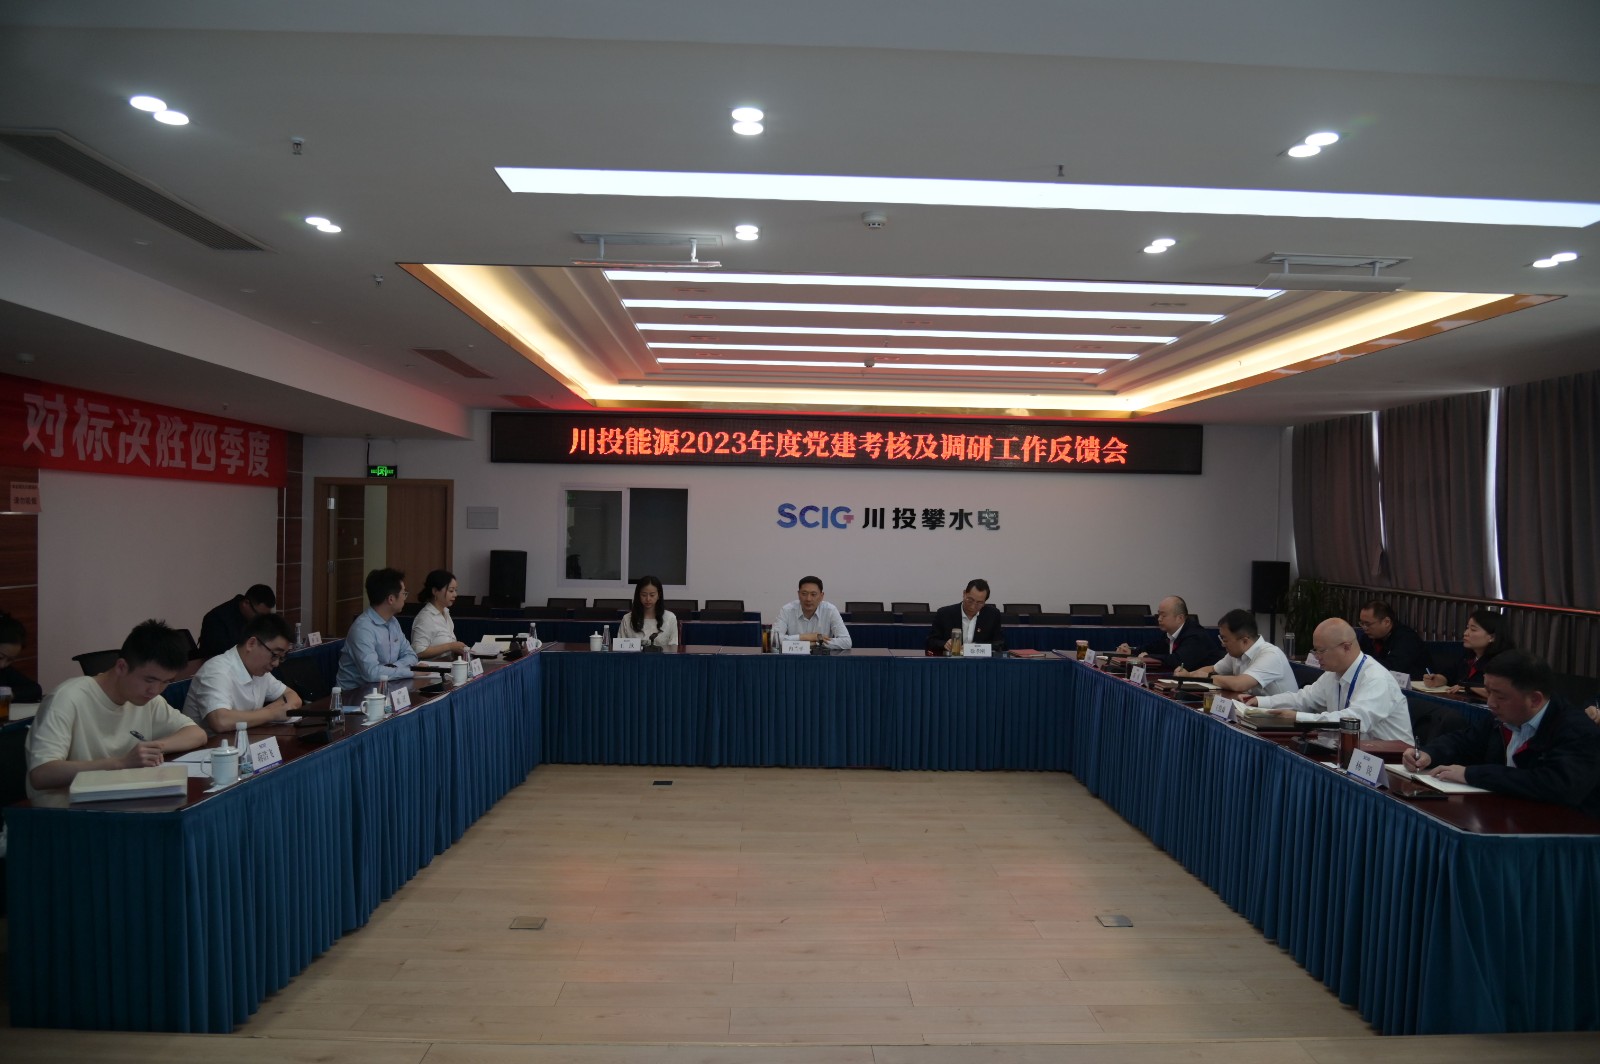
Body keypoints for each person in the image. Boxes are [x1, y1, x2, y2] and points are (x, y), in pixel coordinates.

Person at [1404, 650, 1600, 817]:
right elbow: (1465, 741)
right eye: (1488, 692)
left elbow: (1553, 785)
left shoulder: (1576, 731)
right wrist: (1429, 754)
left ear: (1535, 699)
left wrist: (1471, 774)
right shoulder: (1502, 717)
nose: (1490, 703)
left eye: (1500, 696)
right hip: (1508, 815)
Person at [24, 619, 207, 798]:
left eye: (165, 682)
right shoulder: (67, 698)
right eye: (149, 680)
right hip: (63, 808)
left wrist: (155, 748)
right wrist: (121, 763)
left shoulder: (148, 699)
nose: (155, 690)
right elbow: (41, 774)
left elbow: (197, 734)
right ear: (121, 667)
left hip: (118, 798)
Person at [1241, 618, 1415, 742]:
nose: (1317, 656)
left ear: (1346, 647)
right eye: (1315, 650)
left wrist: (1300, 717)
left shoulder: (1375, 678)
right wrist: (1259, 702)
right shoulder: (1333, 673)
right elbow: (1304, 698)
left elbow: (1354, 721)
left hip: (1389, 763)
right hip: (1350, 753)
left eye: (1321, 651)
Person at [182, 613, 304, 733]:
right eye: (275, 655)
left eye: (281, 657)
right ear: (251, 644)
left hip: (245, 740)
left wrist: (277, 710)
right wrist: (272, 713)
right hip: (213, 744)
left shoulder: (260, 671)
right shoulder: (216, 671)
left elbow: (293, 696)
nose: (276, 663)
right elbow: (221, 721)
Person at [1177, 608, 1297, 696]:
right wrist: (1189, 675)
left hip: (1285, 717)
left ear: (1244, 641)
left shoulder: (1270, 655)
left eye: (1225, 640)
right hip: (1257, 711)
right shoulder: (1236, 654)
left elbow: (1239, 684)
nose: (1222, 644)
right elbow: (1213, 669)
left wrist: (1209, 677)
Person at [336, 568, 419, 689]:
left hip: (384, 687)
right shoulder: (363, 629)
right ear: (391, 599)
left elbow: (411, 655)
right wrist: (410, 672)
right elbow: (372, 673)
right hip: (354, 695)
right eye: (404, 593)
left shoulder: (393, 622)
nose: (405, 598)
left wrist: (392, 668)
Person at [1422, 609, 1514, 695]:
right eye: (1467, 628)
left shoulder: (1504, 662)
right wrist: (1438, 679)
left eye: (1473, 630)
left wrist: (1467, 688)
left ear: (1492, 637)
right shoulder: (1469, 655)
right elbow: (1450, 674)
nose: (1465, 633)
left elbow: (1500, 692)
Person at [1116, 596, 1220, 671]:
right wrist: (1131, 651)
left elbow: (1178, 661)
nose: (1159, 619)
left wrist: (1148, 656)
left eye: (1163, 615)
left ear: (1180, 618)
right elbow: (1152, 648)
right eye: (1159, 615)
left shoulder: (1195, 635)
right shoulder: (1169, 633)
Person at [925, 578, 1007, 655]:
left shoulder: (992, 615)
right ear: (964, 594)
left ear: (985, 602)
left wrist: (975, 648)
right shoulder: (944, 613)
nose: (973, 606)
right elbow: (930, 641)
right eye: (970, 600)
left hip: (980, 662)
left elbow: (1000, 644)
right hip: (951, 661)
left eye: (979, 603)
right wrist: (944, 644)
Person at [771, 575, 852, 650]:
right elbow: (773, 639)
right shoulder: (787, 610)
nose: (808, 599)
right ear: (798, 594)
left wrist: (816, 643)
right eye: (804, 594)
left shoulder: (830, 610)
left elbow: (846, 642)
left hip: (821, 658)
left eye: (813, 594)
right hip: (793, 658)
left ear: (821, 596)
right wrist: (805, 637)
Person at [198, 583, 277, 659]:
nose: (261, 620)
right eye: (258, 615)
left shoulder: (258, 620)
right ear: (246, 603)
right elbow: (217, 657)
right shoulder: (216, 620)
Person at [1357, 600, 1430, 679]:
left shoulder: (1407, 639)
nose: (1364, 628)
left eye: (1368, 624)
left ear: (1387, 622)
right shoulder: (1368, 637)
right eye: (1362, 623)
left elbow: (1392, 669)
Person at [409, 569, 468, 660]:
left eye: (455, 590)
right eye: (451, 591)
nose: (455, 594)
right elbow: (418, 651)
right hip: (433, 667)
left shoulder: (446, 612)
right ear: (435, 591)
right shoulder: (426, 617)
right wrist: (450, 646)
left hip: (449, 664)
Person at [619, 574, 678, 647]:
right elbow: (620, 647)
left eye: (652, 595)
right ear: (638, 595)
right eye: (644, 595)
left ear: (658, 595)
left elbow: (673, 647)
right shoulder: (627, 619)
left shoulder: (670, 618)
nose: (648, 599)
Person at [0, 611, 44, 704]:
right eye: (0, 657)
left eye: (10, 660)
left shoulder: (4, 670)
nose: (2, 664)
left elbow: (35, 689)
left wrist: (9, 695)